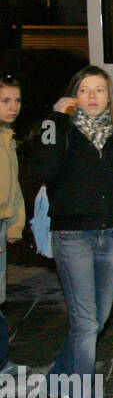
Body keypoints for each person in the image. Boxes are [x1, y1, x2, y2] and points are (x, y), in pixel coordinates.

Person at [31, 66, 113, 398]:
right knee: (84, 322)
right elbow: (43, 171)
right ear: (73, 96)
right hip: (72, 235)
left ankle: (55, 382)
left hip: (110, 235)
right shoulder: (58, 130)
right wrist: (55, 116)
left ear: (110, 97)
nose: (92, 97)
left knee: (98, 318)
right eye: (84, 90)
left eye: (99, 90)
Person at [0, 75, 23, 378]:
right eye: (5, 100)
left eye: (17, 100)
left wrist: (15, 224)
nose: (14, 106)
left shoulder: (8, 137)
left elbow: (14, 187)